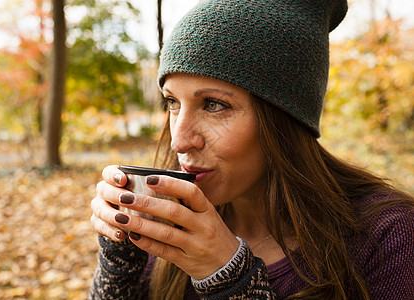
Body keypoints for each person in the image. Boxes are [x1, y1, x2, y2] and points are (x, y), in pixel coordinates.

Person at [88, 0, 414, 299]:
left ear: (284, 119)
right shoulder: (167, 220)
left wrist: (230, 280)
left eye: (214, 105)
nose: (179, 140)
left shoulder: (388, 237)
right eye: (172, 102)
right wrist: (119, 263)